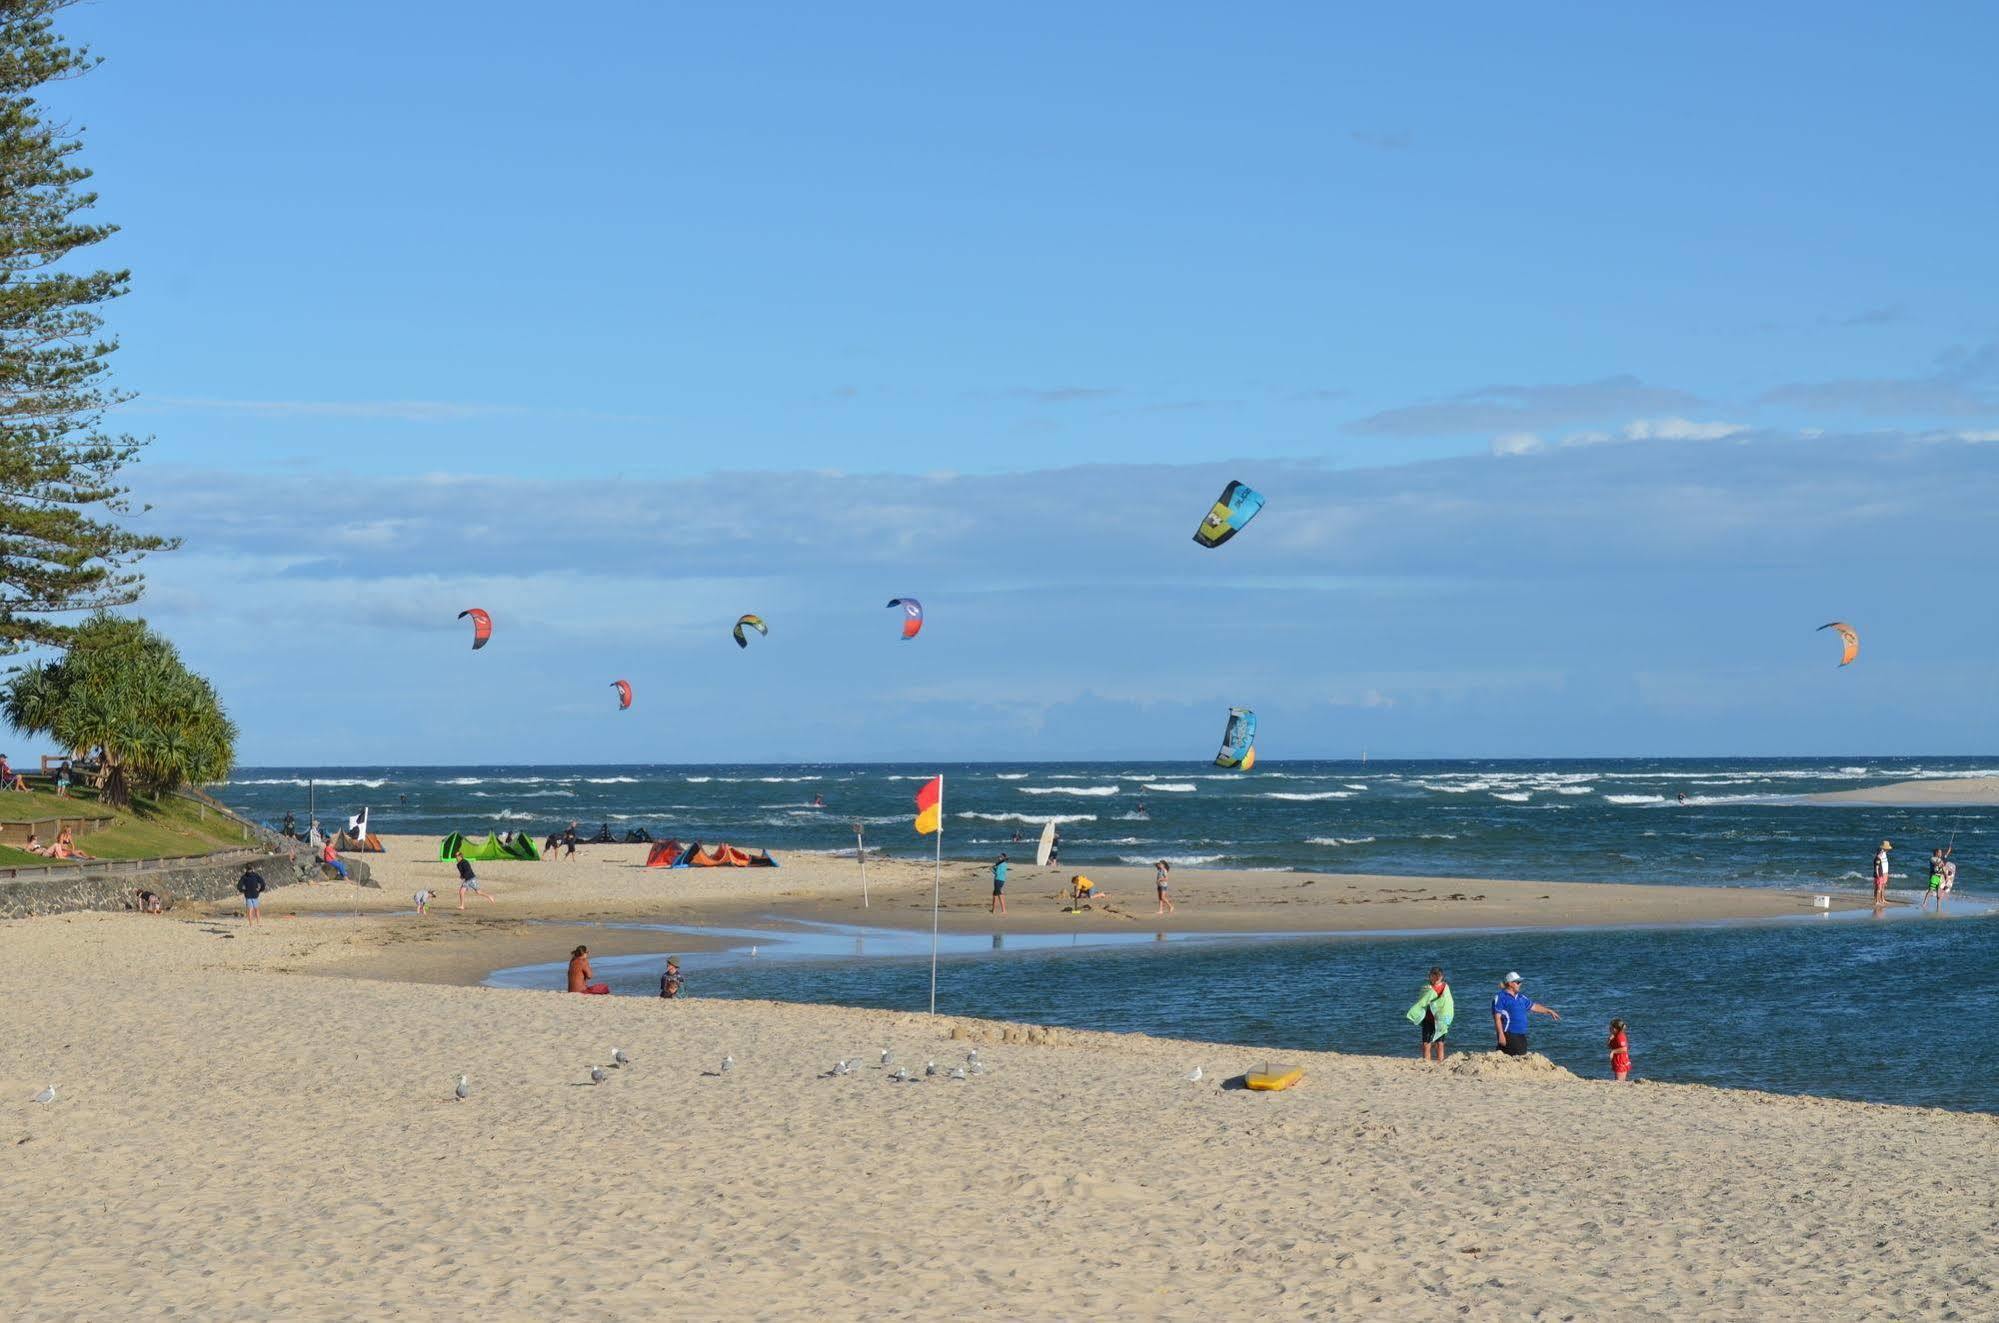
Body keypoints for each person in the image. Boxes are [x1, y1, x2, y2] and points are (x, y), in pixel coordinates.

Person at [1491, 972, 1559, 1056]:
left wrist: (1549, 1011)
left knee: (1516, 1054)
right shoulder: (1501, 997)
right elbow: (1497, 1018)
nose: (1520, 984)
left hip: (1521, 1034)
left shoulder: (1521, 997)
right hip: (1509, 1034)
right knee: (1516, 1056)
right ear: (1510, 983)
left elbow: (1534, 1006)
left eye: (1520, 982)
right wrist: (1501, 1035)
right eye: (1518, 982)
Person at [1406, 966, 1454, 1064]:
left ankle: (1440, 1062)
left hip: (1441, 1019)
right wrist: (1427, 991)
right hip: (1428, 1018)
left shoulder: (1445, 987)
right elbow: (1422, 999)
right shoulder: (1427, 987)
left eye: (1434, 975)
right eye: (1431, 975)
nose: (1431, 977)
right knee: (1426, 1043)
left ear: (1440, 977)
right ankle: (1426, 1062)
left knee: (1439, 1043)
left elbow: (1448, 1003)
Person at [1872, 839, 1892, 905]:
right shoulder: (1880, 852)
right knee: (1880, 886)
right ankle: (1878, 900)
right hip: (1882, 872)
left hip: (1885, 871)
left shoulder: (1884, 852)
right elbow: (1877, 860)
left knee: (1883, 886)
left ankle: (1882, 899)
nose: (1888, 849)